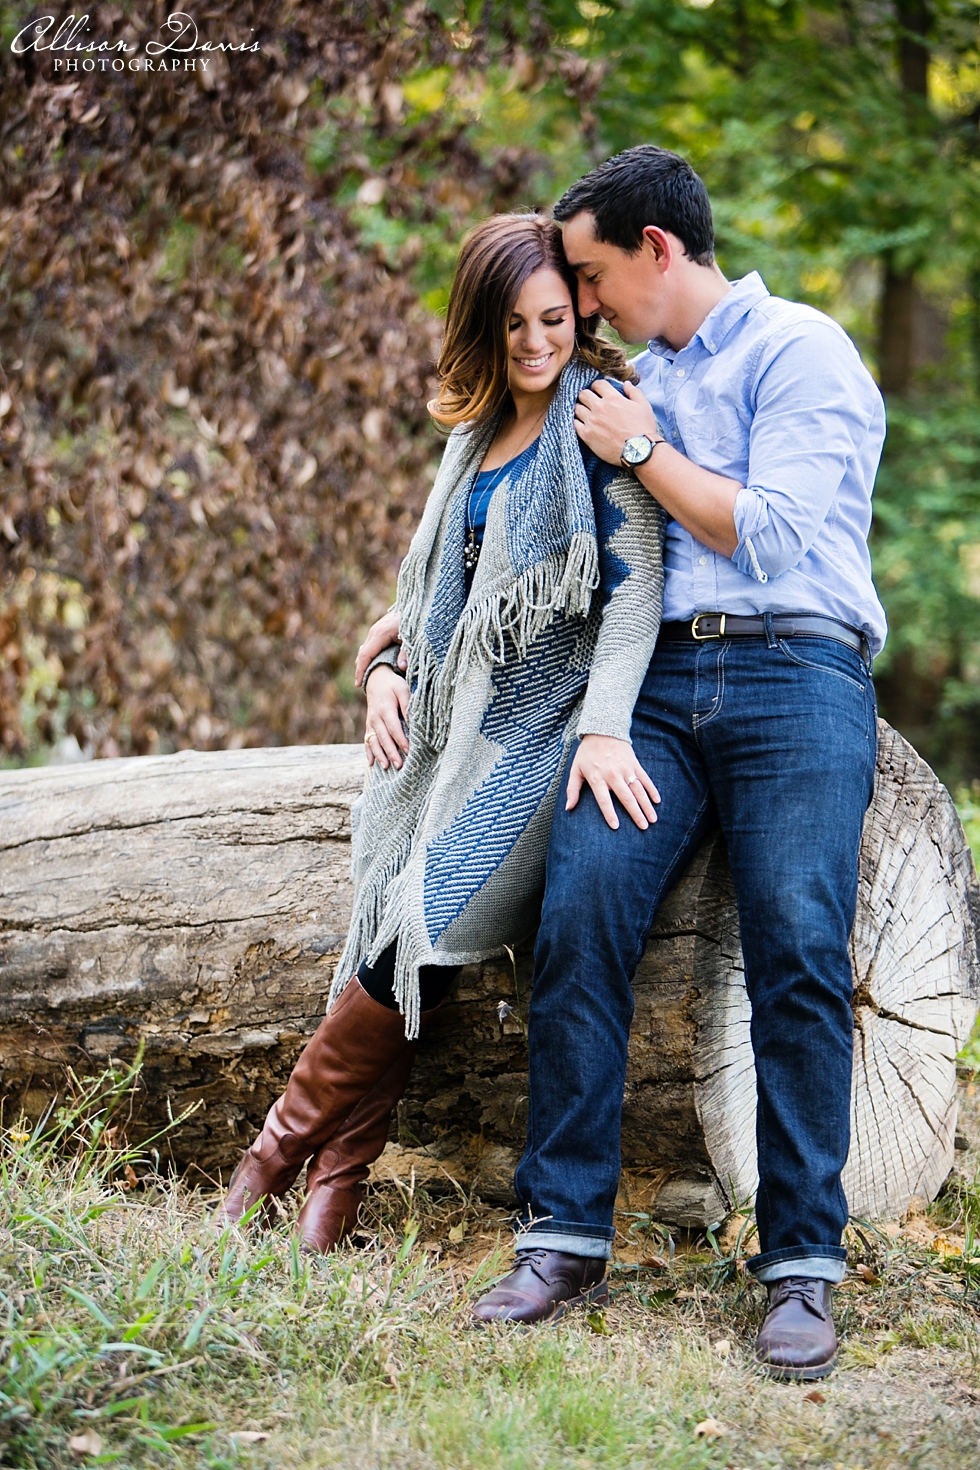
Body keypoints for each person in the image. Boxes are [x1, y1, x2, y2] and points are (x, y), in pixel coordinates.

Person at [363, 146, 886, 1372]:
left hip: (793, 673)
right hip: (647, 696)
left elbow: (769, 535)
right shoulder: (621, 378)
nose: (582, 305)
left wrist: (645, 450)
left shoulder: (797, 352)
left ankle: (802, 1262)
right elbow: (522, 524)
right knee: (582, 907)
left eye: (591, 277)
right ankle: (560, 1236)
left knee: (799, 945)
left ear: (657, 251)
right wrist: (408, 623)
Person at [221, 212, 665, 1257]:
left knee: (421, 910)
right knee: (383, 916)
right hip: (440, 739)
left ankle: (268, 1159)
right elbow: (418, 603)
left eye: (552, 317)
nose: (535, 343)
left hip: (536, 739)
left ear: (575, 313)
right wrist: (380, 672)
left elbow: (633, 595)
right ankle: (335, 1188)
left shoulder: (600, 421)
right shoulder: (468, 440)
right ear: (481, 324)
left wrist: (601, 727)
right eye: (511, 324)